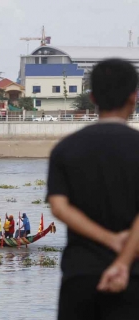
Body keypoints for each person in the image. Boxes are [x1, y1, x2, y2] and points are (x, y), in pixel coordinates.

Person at [47, 59, 139, 320]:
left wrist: (109, 240)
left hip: (80, 276)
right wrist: (122, 260)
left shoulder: (65, 149)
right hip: (133, 276)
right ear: (134, 96)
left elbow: (59, 207)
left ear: (92, 97)